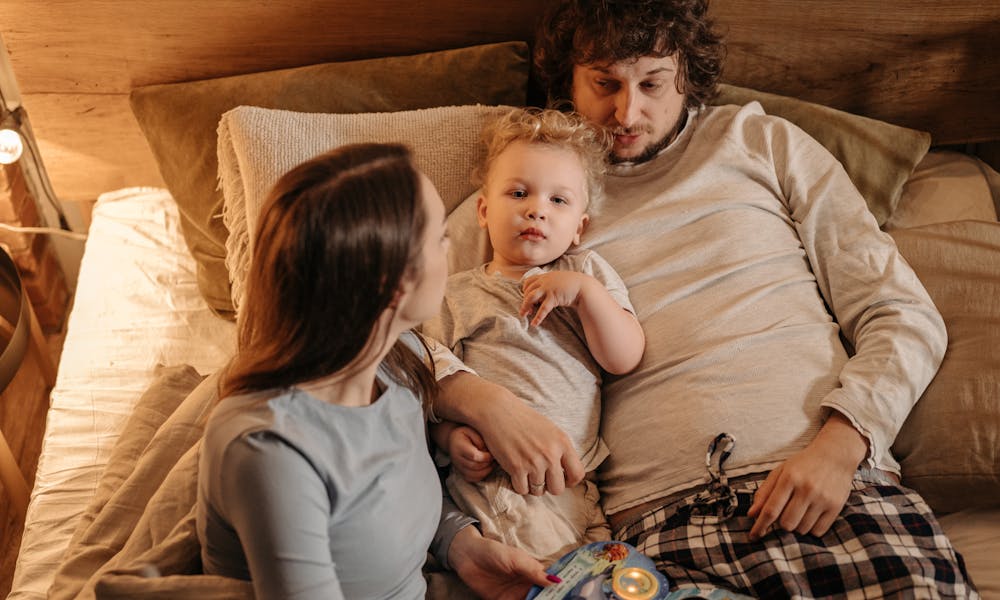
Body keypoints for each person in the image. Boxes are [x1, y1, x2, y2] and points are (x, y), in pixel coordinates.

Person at [431, 0, 979, 596]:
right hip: (650, 530)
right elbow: (393, 343)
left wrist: (843, 447)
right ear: (568, 80)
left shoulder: (762, 142)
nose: (627, 111)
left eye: (652, 83)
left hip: (827, 484)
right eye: (604, 83)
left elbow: (899, 312)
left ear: (686, 76)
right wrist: (475, 404)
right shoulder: (526, 188)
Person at [195, 143, 554, 599]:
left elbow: (386, 500)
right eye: (440, 239)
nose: (451, 250)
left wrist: (461, 546)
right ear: (392, 284)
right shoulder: (270, 450)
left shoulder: (396, 367)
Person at [422, 107, 646, 564]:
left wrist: (584, 296)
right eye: (519, 192)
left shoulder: (586, 273)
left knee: (603, 576)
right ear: (484, 210)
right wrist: (448, 437)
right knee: (545, 576)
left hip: (579, 482)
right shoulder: (455, 294)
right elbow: (427, 380)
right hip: (500, 481)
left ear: (580, 227)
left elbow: (624, 356)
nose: (536, 209)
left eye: (558, 201)